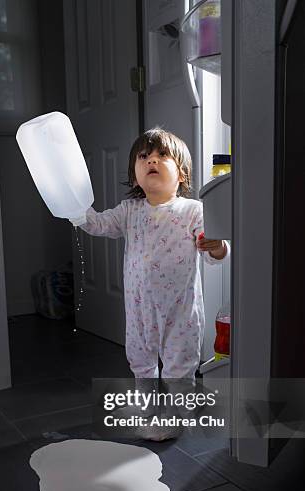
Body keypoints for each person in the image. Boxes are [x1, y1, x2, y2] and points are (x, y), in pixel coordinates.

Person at [69, 127, 230, 381]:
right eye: (143, 156)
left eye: (162, 155)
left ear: (182, 174)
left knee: (179, 371)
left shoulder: (193, 211)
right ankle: (148, 415)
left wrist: (217, 246)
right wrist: (74, 207)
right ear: (134, 177)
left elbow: (213, 255)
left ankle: (180, 417)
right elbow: (98, 223)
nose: (152, 160)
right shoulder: (129, 211)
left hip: (181, 312)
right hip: (138, 311)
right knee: (141, 367)